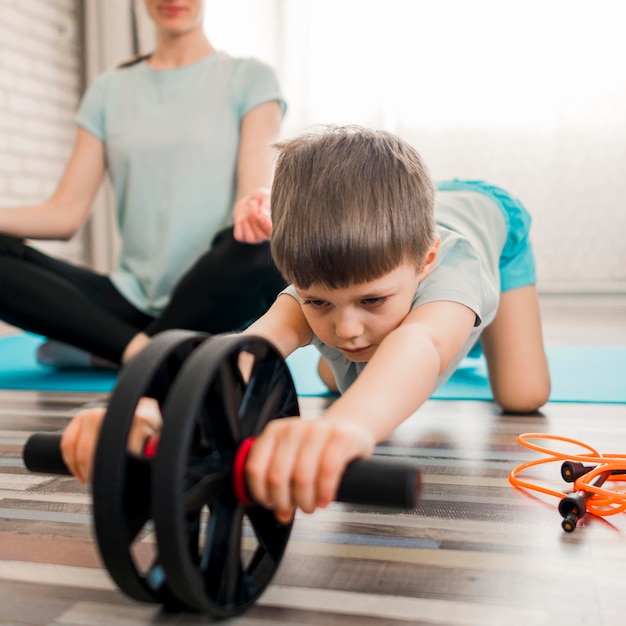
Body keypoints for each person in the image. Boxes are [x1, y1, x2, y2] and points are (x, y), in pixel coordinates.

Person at [60, 125, 551, 524]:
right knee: (345, 371)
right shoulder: (319, 287)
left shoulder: (450, 267)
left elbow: (421, 343)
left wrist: (340, 431)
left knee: (522, 395)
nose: (348, 328)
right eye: (318, 302)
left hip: (490, 226)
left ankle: (471, 325)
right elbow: (250, 347)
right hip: (396, 244)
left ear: (425, 262)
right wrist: (150, 408)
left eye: (372, 300)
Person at [0, 0, 287, 368]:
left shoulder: (251, 78)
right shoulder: (108, 89)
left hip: (216, 291)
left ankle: (108, 347)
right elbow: (64, 215)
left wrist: (255, 206)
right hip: (129, 298)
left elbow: (252, 190)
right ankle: (147, 352)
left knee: (265, 251)